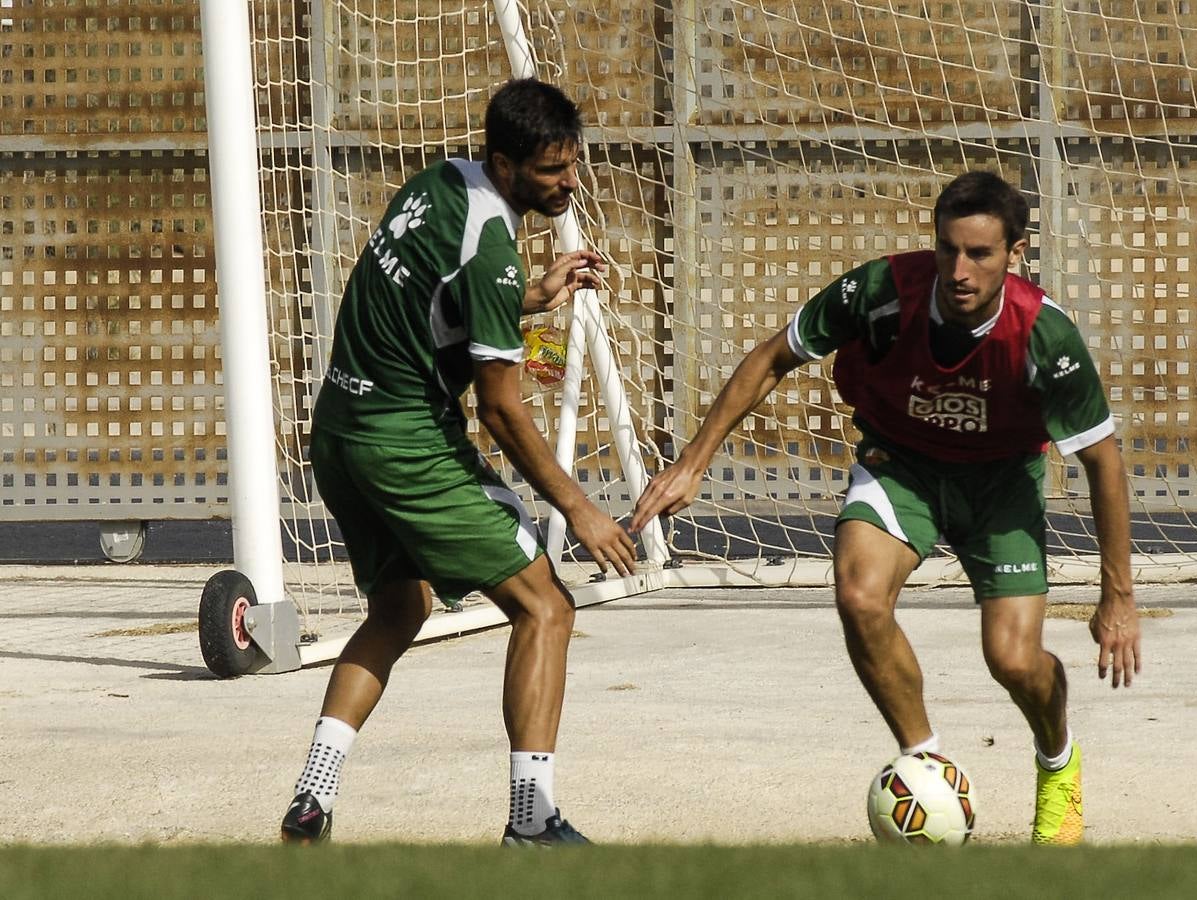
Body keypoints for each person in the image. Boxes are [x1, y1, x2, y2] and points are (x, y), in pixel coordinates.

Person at [630, 170, 1140, 845]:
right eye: (947, 250)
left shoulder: (1044, 336)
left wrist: (1119, 598)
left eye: (980, 254)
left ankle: (1057, 763)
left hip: (998, 488)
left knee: (1013, 661)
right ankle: (924, 763)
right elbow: (771, 356)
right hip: (901, 466)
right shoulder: (878, 292)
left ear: (1015, 254)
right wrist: (692, 461)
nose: (959, 270)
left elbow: (1102, 461)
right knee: (859, 596)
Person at [280, 78, 636, 847]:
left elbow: (425, 305)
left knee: (399, 610)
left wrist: (530, 298)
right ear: (504, 163)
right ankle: (532, 823)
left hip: (339, 431)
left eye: (573, 165)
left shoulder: (437, 181)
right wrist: (578, 507)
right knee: (547, 607)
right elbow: (500, 410)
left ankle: (311, 799)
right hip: (404, 446)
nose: (568, 183)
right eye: (551, 170)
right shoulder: (494, 249)